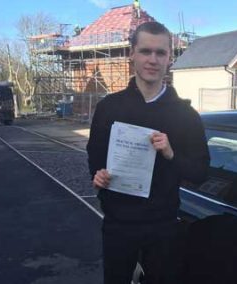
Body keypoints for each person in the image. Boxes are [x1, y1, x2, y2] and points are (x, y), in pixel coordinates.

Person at [86, 21, 210, 284]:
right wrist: (98, 177)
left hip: (163, 226)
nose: (152, 60)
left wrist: (171, 154)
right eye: (145, 51)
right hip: (118, 223)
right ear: (132, 54)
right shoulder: (109, 108)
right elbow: (95, 156)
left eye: (160, 53)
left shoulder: (186, 116)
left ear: (170, 58)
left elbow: (200, 172)